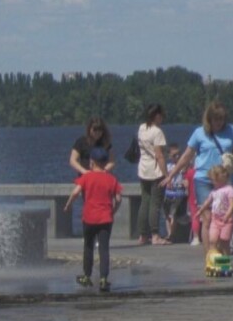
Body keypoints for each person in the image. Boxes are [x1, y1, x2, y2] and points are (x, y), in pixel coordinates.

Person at [164, 101, 233, 246]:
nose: (219, 122)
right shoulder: (199, 133)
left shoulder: (231, 131)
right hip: (204, 179)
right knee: (208, 219)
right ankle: (209, 254)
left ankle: (222, 252)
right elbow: (187, 155)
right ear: (209, 118)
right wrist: (171, 175)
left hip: (225, 179)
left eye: (221, 119)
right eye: (216, 119)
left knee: (224, 217)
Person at [64, 145, 122, 292]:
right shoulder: (111, 179)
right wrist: (113, 211)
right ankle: (103, 279)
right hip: (106, 219)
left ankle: (87, 276)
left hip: (89, 218)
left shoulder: (86, 177)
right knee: (104, 249)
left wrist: (69, 205)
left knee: (88, 247)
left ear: (92, 162)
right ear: (104, 162)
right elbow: (119, 198)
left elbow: (75, 192)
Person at [134, 103, 170, 245]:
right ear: (157, 116)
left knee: (145, 201)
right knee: (155, 203)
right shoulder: (157, 132)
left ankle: (143, 235)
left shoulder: (142, 128)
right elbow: (160, 155)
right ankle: (155, 234)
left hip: (143, 169)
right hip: (155, 171)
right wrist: (166, 174)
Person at [196, 164, 233, 262]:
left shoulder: (230, 190)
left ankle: (226, 259)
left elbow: (232, 205)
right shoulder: (214, 191)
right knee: (213, 239)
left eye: (214, 180)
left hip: (226, 220)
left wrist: (228, 215)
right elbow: (208, 201)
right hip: (215, 219)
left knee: (224, 241)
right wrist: (201, 210)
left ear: (221, 178)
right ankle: (213, 258)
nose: (212, 182)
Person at [161, 143, 188, 240]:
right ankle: (169, 233)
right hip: (168, 194)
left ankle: (171, 235)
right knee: (167, 215)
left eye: (178, 154)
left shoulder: (182, 166)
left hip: (178, 193)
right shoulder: (167, 167)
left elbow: (186, 176)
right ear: (169, 156)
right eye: (174, 155)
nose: (177, 157)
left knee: (174, 215)